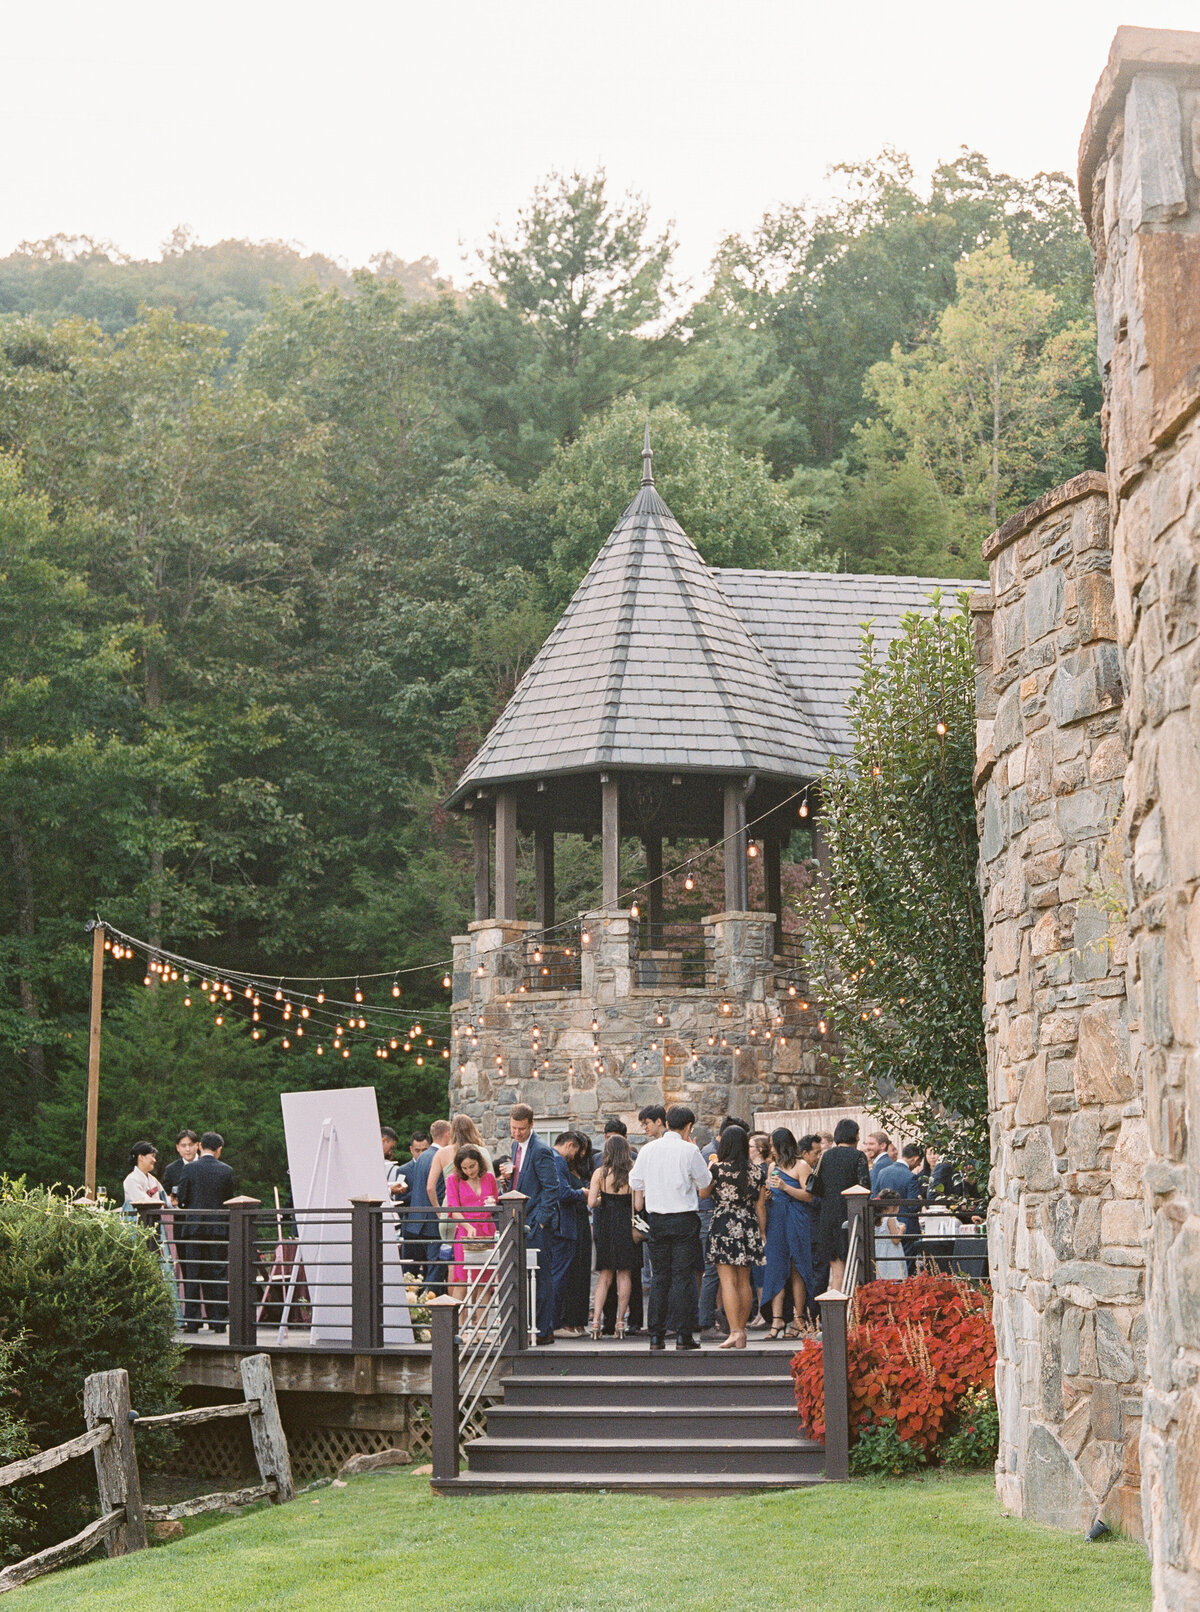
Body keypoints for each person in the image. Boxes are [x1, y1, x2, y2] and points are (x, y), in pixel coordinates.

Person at [629, 1104, 711, 1351]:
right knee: (683, 1278)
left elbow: (635, 1181)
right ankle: (683, 1335)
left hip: (658, 1219)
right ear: (688, 1126)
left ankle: (656, 1335)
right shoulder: (690, 1150)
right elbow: (705, 1182)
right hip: (684, 1218)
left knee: (660, 1278)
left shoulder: (648, 1150)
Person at [498, 1105, 560, 1344]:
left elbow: (551, 1189)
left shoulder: (542, 1151)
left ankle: (544, 1330)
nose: (517, 1133)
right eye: (513, 1128)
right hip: (520, 1220)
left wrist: (541, 1222)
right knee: (523, 1277)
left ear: (531, 1125)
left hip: (535, 1224)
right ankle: (529, 1328)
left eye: (521, 1129)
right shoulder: (515, 1147)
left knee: (542, 1278)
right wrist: (506, 1181)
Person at [704, 1124, 767, 1350]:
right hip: (748, 1224)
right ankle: (742, 1330)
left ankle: (734, 1331)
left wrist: (709, 1167)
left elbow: (703, 1193)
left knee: (727, 1281)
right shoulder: (757, 1171)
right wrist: (761, 1233)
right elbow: (760, 1206)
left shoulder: (717, 1168)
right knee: (744, 1280)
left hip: (724, 1222)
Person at [176, 1132, 235, 1333]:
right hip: (218, 1230)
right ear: (219, 1149)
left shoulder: (190, 1169)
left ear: (200, 1146)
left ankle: (192, 1321)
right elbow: (229, 1200)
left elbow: (182, 1198)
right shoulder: (227, 1171)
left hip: (193, 1229)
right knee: (217, 1274)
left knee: (193, 1273)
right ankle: (218, 1320)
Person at [762, 1127, 815, 1340]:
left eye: (774, 1145)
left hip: (795, 1218)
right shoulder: (772, 1167)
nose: (771, 1150)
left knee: (797, 1267)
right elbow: (771, 1191)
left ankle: (799, 1317)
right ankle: (776, 1319)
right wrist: (767, 1195)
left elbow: (809, 1196)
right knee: (775, 1266)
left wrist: (785, 1187)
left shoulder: (802, 1166)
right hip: (776, 1218)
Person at [809, 1118, 870, 1292]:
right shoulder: (858, 1156)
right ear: (855, 1136)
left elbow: (816, 1187)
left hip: (828, 1216)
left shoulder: (826, 1156)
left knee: (837, 1274)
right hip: (851, 1216)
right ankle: (852, 1313)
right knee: (854, 1271)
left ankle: (837, 1316)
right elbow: (865, 1187)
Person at [443, 1144, 498, 1333]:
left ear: (479, 1163)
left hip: (487, 1230)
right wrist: (467, 1226)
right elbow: (453, 1209)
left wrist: (490, 1203)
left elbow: (494, 1200)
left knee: (484, 1281)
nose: (469, 1171)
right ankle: (461, 1328)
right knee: (462, 1279)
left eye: (472, 1166)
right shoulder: (453, 1180)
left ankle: (481, 1328)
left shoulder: (489, 1177)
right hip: (466, 1232)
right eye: (465, 1168)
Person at [588, 1133, 638, 1339]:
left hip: (606, 1226)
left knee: (605, 1276)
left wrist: (603, 1200)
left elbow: (591, 1203)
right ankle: (620, 1321)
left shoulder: (599, 1173)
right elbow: (638, 1205)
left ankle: (596, 1321)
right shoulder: (633, 1172)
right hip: (626, 1225)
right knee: (624, 1274)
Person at [404, 1118, 452, 1291]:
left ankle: (424, 1304)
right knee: (436, 1267)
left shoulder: (422, 1156)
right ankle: (429, 1305)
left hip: (417, 1221)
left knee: (426, 1269)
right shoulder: (439, 1157)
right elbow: (434, 1189)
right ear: (447, 1134)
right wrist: (441, 1213)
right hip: (433, 1221)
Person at [548, 1134, 588, 1334]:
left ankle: (554, 1322)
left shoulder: (549, 1157)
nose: (575, 1156)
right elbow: (562, 1193)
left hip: (556, 1226)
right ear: (570, 1145)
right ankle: (555, 1324)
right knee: (559, 1276)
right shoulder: (558, 1160)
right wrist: (583, 1193)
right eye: (575, 1151)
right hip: (563, 1226)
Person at [560, 1131, 594, 1333]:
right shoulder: (562, 1166)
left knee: (583, 1271)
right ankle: (568, 1320)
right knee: (571, 1272)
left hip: (582, 1221)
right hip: (571, 1220)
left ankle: (579, 1320)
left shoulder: (584, 1169)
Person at [873, 1143, 925, 1271]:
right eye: (919, 1162)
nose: (918, 1166)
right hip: (905, 1226)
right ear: (916, 1159)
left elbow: (875, 1197)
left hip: (883, 1225)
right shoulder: (911, 1176)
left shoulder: (882, 1172)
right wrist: (919, 1201)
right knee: (905, 1265)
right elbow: (913, 1207)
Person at [427, 1114, 492, 1202]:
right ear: (472, 1130)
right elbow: (491, 1180)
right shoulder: (482, 1151)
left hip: (451, 1205)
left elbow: (430, 1188)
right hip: (477, 1204)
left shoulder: (442, 1153)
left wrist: (438, 1210)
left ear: (452, 1132)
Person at [874, 1188, 907, 1279]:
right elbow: (895, 1240)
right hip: (891, 1253)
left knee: (882, 1274)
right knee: (893, 1275)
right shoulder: (890, 1219)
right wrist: (901, 1230)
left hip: (880, 1253)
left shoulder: (877, 1218)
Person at [161, 1130, 199, 1204]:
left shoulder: (206, 1165)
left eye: (190, 1145)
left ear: (197, 1145)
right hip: (180, 1213)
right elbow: (166, 1195)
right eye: (183, 1146)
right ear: (178, 1147)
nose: (187, 1149)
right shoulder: (171, 1169)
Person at [122, 1142, 164, 1209]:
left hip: (154, 1217)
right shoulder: (131, 1180)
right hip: (137, 1218)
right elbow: (143, 1202)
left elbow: (164, 1198)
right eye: (152, 1156)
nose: (154, 1160)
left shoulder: (153, 1179)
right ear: (141, 1157)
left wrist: (171, 1201)